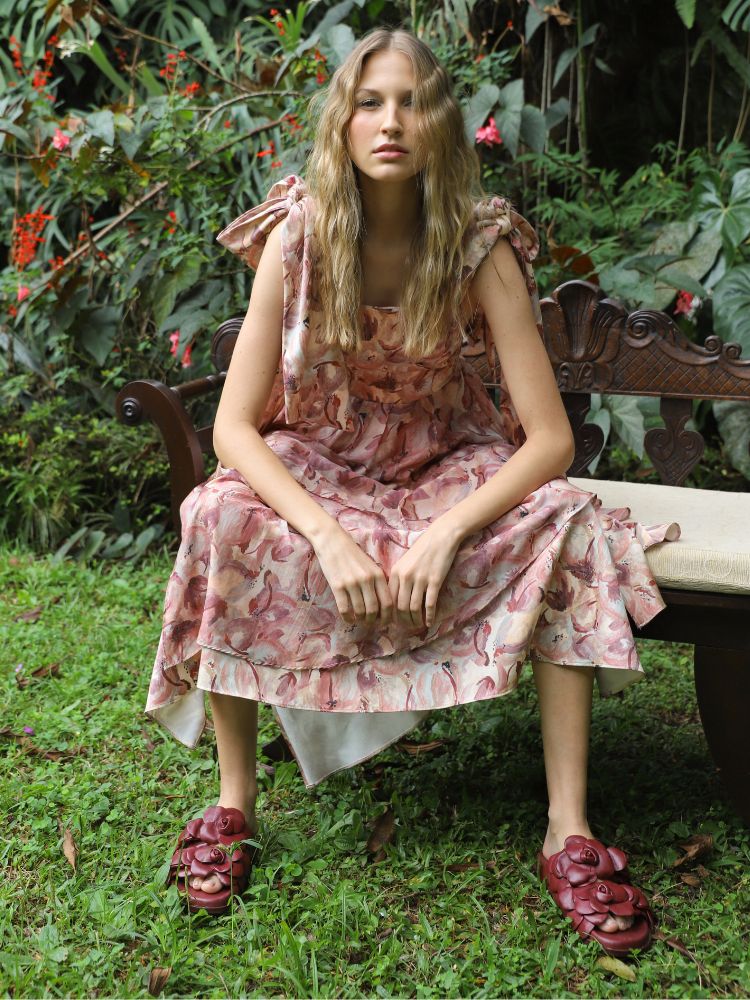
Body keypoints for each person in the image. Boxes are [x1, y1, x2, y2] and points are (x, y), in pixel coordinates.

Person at [148, 26, 681, 955]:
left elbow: (548, 440)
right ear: (342, 122)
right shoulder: (298, 233)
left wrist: (442, 534)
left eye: (411, 102)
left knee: (573, 522)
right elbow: (234, 427)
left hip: (443, 467)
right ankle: (234, 802)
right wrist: (324, 533)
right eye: (369, 102)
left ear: (441, 125)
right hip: (321, 463)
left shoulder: (479, 245)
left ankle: (570, 825)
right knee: (217, 512)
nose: (389, 121)